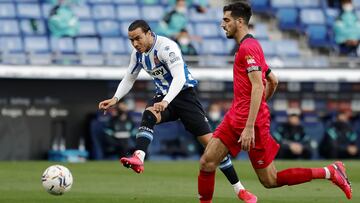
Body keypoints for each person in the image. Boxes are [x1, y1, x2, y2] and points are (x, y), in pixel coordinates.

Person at [197, 2, 352, 203]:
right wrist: (258, 106)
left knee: (270, 180)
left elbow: (259, 86)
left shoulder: (249, 48)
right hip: (237, 116)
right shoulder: (246, 47)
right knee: (207, 163)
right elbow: (273, 80)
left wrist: (250, 126)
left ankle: (330, 172)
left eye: (226, 20)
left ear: (240, 21)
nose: (222, 24)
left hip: (249, 123)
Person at [98, 20, 257, 202]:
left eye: (138, 38)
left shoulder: (167, 47)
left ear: (149, 33)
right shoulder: (138, 54)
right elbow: (129, 77)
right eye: (131, 40)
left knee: (213, 148)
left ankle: (240, 190)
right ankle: (139, 157)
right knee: (149, 114)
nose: (135, 44)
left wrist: (166, 101)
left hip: (184, 97)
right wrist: (115, 99)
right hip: (164, 96)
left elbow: (180, 77)